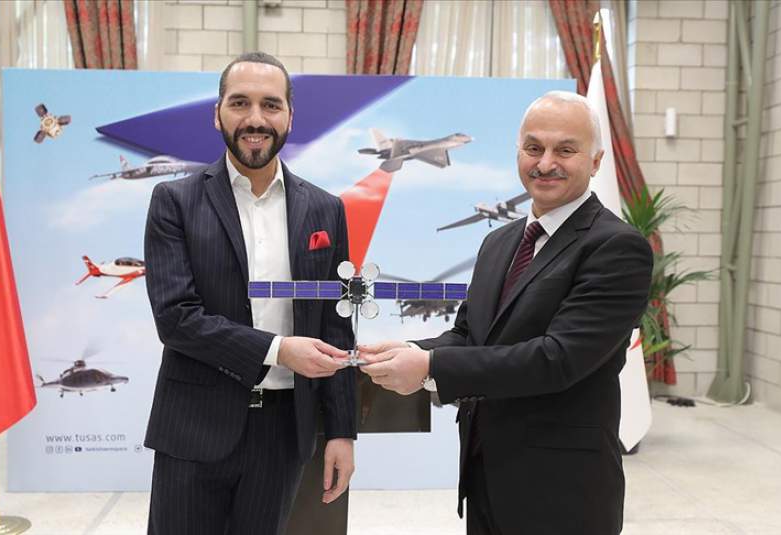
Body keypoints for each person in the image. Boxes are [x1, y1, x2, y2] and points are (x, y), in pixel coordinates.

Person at [360, 91, 652, 535]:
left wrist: (430, 366)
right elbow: (470, 334)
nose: (545, 163)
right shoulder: (499, 242)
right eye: (534, 147)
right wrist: (408, 350)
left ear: (596, 161)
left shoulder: (616, 247)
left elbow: (557, 359)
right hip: (484, 475)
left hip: (563, 493)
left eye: (565, 150)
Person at [143, 51, 356, 535]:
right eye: (240, 103)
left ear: (289, 116)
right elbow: (176, 318)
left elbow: (336, 325)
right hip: (193, 426)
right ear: (217, 113)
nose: (255, 119)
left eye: (270, 105)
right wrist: (279, 350)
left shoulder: (327, 210)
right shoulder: (174, 201)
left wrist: (342, 432)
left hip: (283, 434)